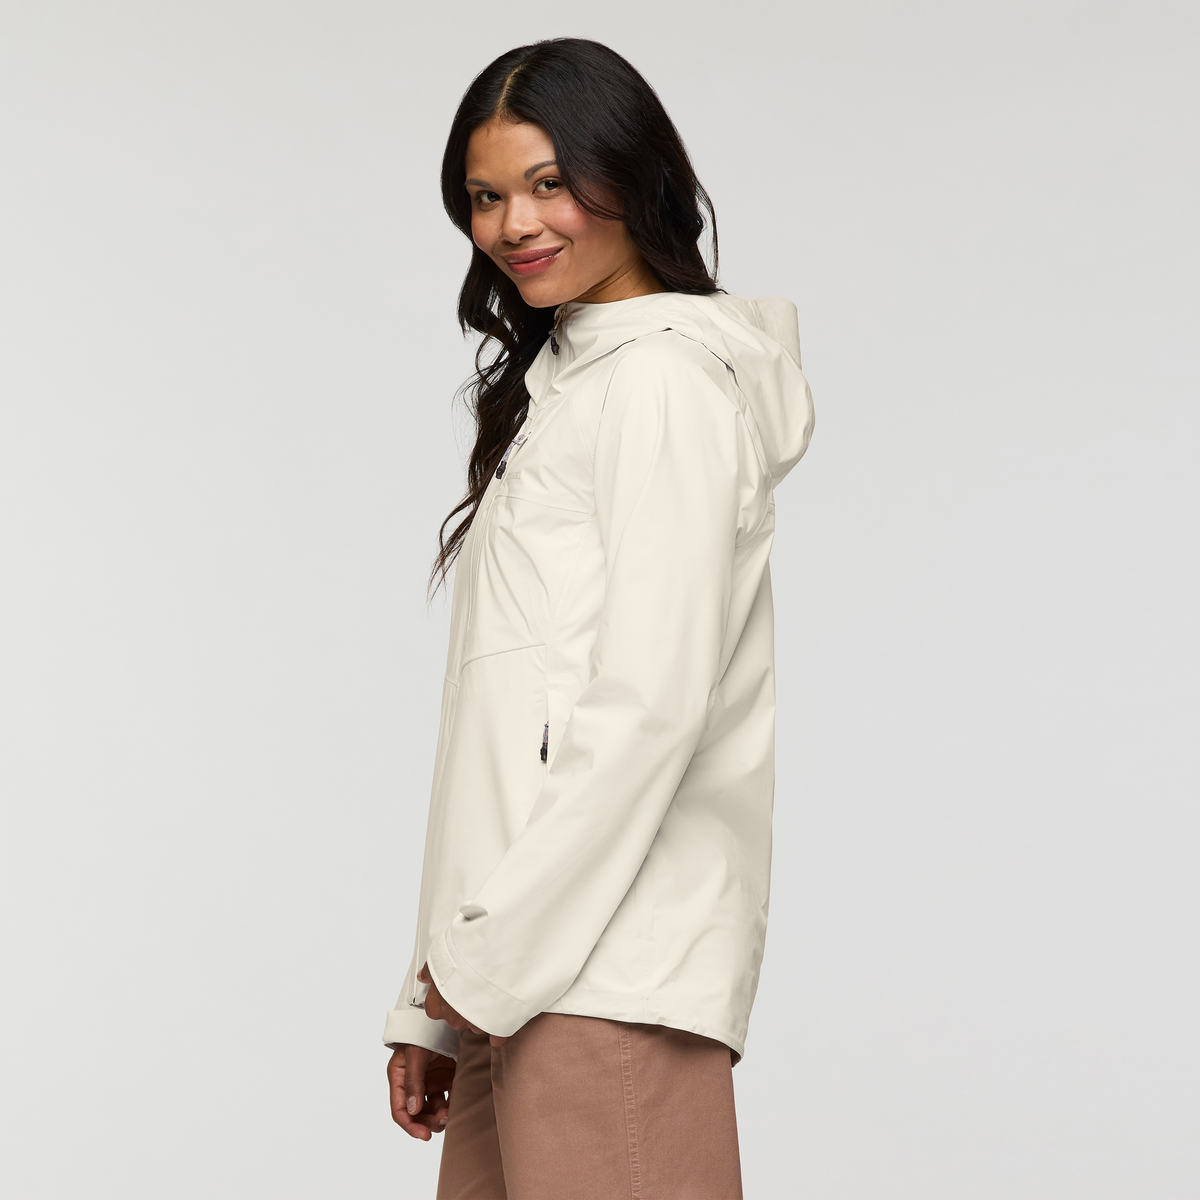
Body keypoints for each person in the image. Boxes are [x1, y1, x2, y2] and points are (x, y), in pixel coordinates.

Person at [384, 37, 814, 1199]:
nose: (515, 223)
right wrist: (433, 998)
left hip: (607, 973)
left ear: (633, 174)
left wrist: (482, 964)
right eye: (485, 196)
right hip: (514, 974)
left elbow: (649, 705)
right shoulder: (571, 386)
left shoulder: (663, 381)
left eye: (549, 183)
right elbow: (502, 726)